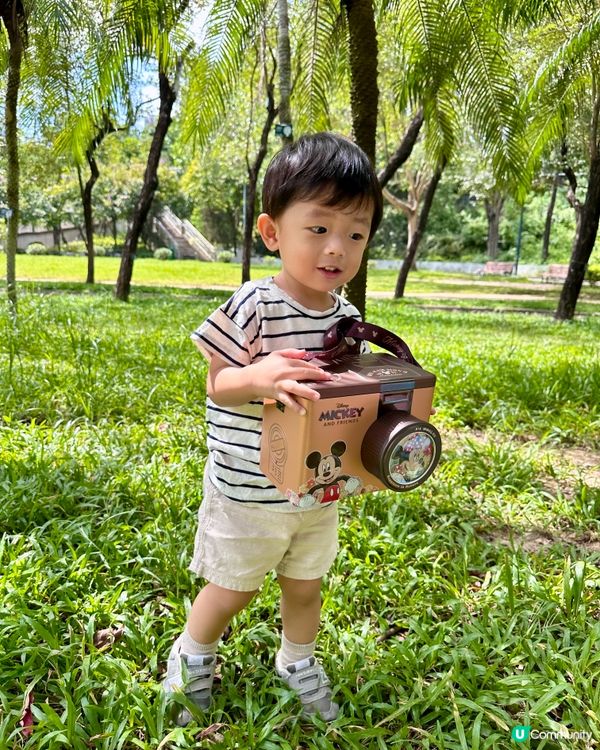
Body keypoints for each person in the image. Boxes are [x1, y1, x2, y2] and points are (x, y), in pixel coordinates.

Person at [163, 131, 383, 726]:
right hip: (248, 493)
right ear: (271, 232)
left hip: (318, 489)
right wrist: (257, 378)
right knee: (233, 590)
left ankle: (297, 662)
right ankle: (192, 655)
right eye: (318, 228)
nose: (336, 247)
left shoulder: (349, 319)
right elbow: (217, 383)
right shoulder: (254, 304)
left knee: (305, 586)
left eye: (355, 234)